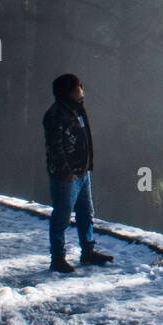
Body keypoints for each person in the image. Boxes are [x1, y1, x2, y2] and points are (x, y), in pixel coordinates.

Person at [43, 73, 113, 272]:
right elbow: (55, 146)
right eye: (77, 88)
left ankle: (88, 251)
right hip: (66, 176)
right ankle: (57, 258)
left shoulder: (78, 111)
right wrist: (65, 170)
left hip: (83, 173)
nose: (81, 91)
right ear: (67, 92)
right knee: (62, 217)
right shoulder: (56, 114)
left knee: (86, 213)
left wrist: (87, 166)